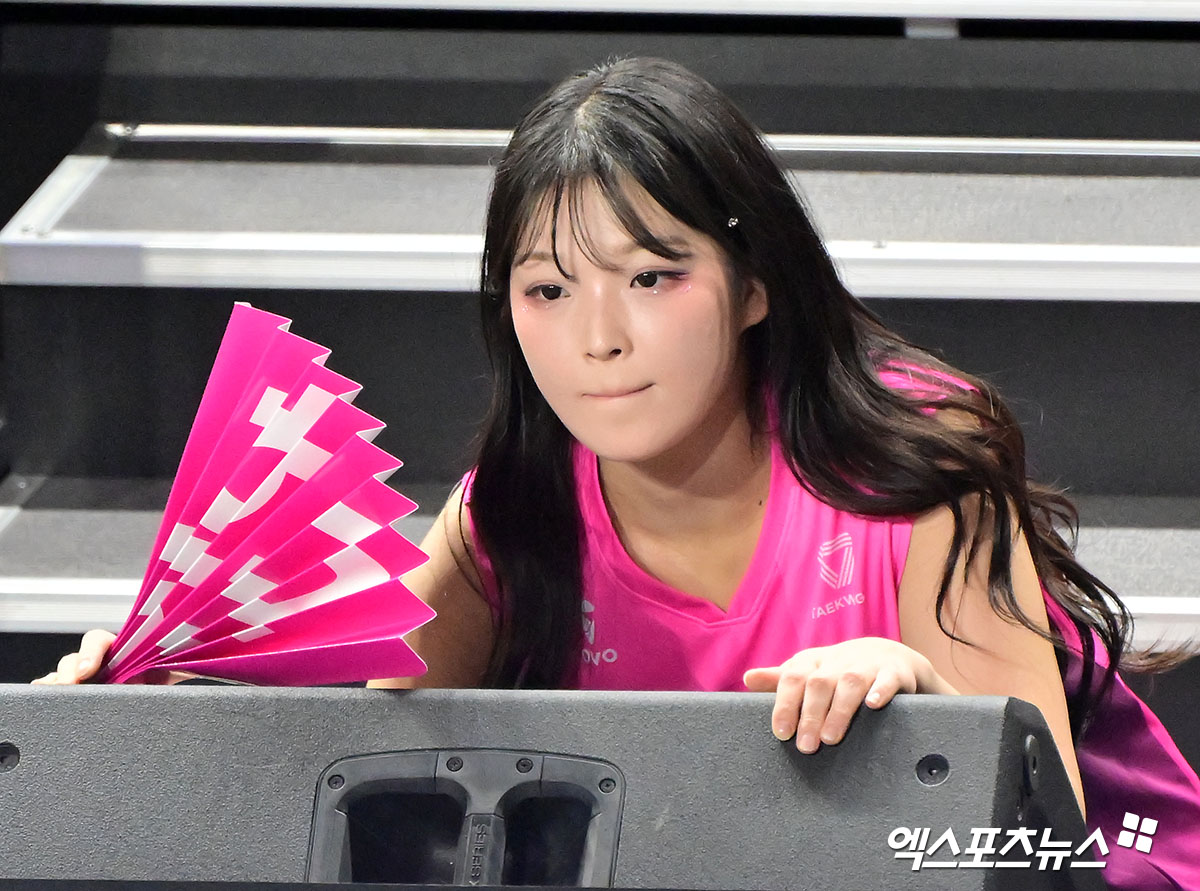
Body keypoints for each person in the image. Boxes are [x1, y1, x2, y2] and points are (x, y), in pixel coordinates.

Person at [38, 57, 1199, 886]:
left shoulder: (918, 470)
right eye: (548, 290)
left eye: (651, 278)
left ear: (754, 287)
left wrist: (927, 714)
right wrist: (153, 701)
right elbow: (333, 722)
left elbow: (1033, 851)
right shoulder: (512, 514)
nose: (597, 339)